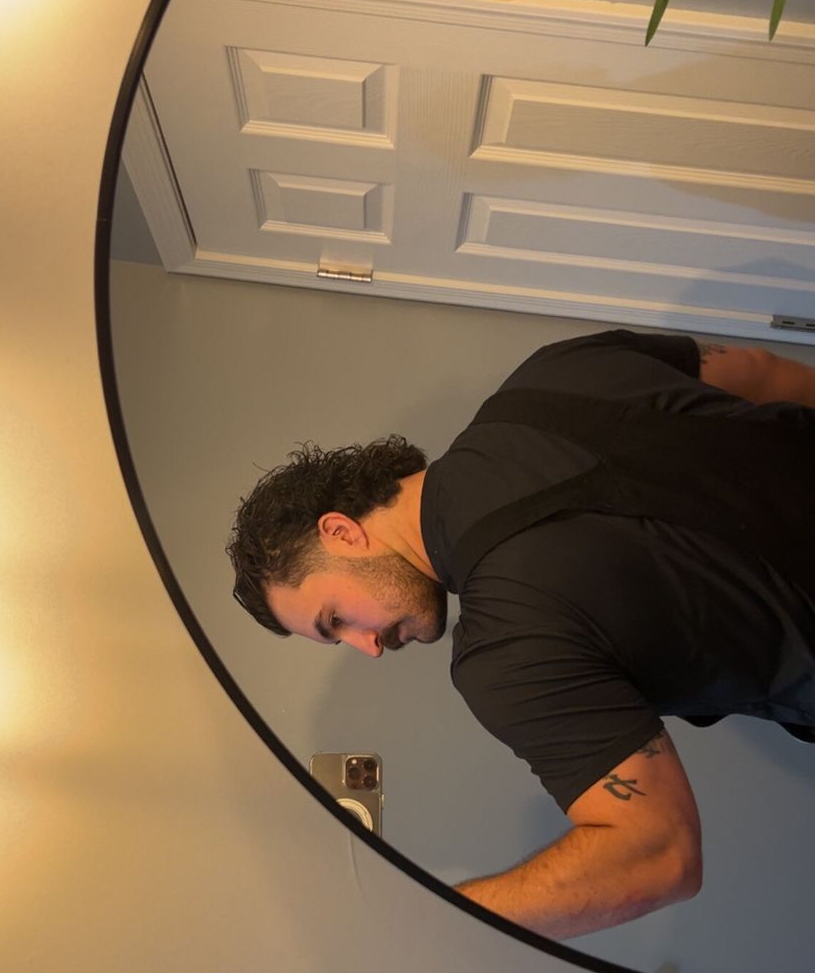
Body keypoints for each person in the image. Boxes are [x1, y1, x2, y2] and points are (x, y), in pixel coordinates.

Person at [226, 328, 815, 941]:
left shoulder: (504, 652)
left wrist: (432, 921)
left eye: (335, 620)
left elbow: (659, 854)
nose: (367, 645)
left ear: (342, 532)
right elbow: (763, 371)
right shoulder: (553, 370)